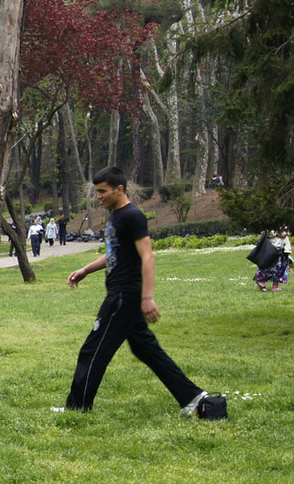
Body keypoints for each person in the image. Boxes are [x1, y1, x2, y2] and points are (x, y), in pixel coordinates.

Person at [55, 167, 209, 415]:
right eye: (97, 192)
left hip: (124, 296)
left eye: (103, 191)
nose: (99, 197)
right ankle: (193, 398)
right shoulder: (115, 216)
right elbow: (114, 254)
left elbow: (147, 256)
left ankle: (77, 406)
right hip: (122, 295)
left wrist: (146, 297)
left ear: (120, 189)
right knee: (146, 350)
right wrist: (86, 270)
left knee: (93, 349)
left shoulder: (132, 216)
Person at [253, 227, 293, 292]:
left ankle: (275, 285)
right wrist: (277, 233)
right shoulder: (270, 223)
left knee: (281, 266)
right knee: (270, 265)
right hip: (273, 247)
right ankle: (261, 280)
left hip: (283, 247)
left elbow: (285, 234)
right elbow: (266, 232)